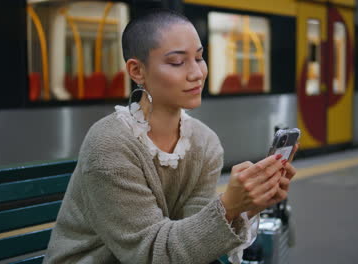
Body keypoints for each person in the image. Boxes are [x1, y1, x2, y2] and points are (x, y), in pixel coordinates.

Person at [43, 9, 297, 264]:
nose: (197, 73)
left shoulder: (204, 143)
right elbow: (151, 253)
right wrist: (228, 206)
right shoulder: (109, 144)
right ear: (137, 71)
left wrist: (246, 206)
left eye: (199, 57)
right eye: (177, 62)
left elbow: (194, 239)